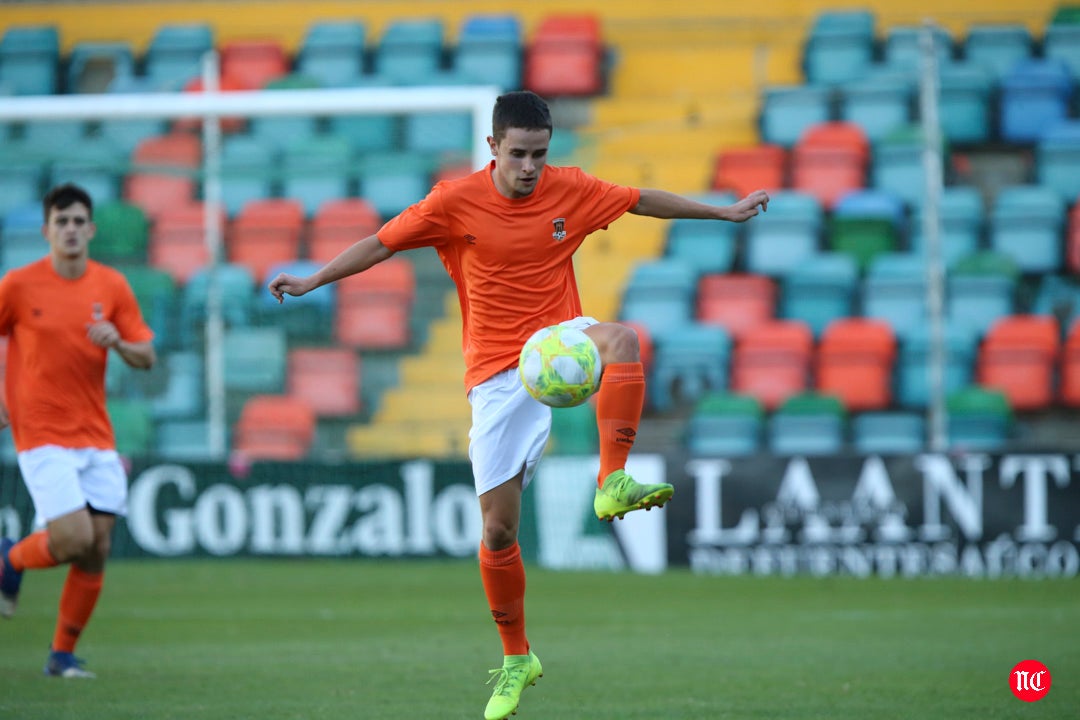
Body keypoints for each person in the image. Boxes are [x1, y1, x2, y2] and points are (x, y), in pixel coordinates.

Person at [268, 91, 768, 719]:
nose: (530, 167)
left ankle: (611, 477)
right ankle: (516, 657)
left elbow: (643, 201)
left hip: (557, 339)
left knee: (622, 340)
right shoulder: (454, 201)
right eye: (519, 154)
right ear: (493, 148)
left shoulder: (572, 188)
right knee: (499, 529)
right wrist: (313, 279)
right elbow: (382, 242)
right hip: (495, 374)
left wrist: (722, 213)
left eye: (539, 154)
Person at [0, 183, 156, 678]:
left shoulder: (110, 286)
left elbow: (146, 356)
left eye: (78, 221)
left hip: (95, 433)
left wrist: (119, 343)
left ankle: (62, 656)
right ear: (46, 230)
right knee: (71, 538)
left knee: (97, 548)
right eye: (60, 221)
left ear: (91, 230)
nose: (69, 229)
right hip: (41, 430)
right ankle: (9, 557)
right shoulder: (18, 285)